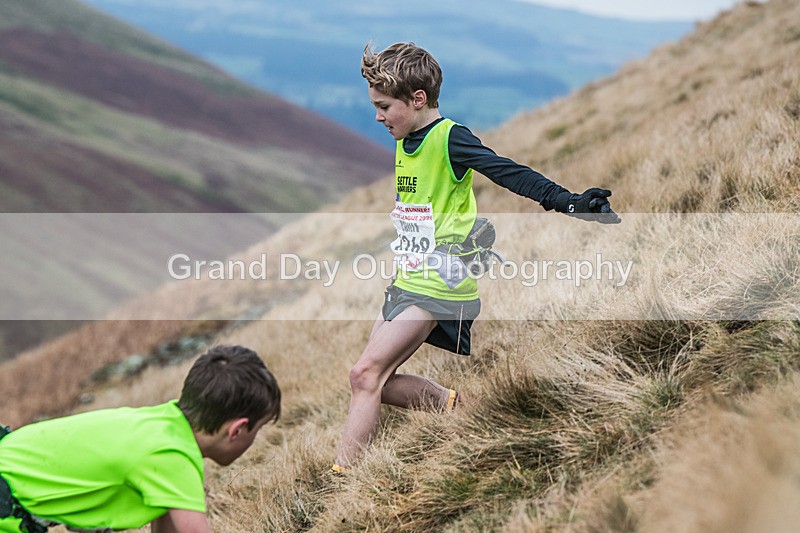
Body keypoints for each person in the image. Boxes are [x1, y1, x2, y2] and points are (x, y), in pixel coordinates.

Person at [332, 42, 620, 471]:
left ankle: (344, 481)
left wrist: (569, 201)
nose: (377, 116)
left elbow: (508, 171)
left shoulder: (450, 139)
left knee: (364, 377)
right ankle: (464, 408)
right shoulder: (406, 136)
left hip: (439, 281)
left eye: (384, 106)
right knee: (378, 380)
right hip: (409, 278)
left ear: (417, 99)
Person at [0, 344, 281, 533]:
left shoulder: (160, 424)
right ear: (237, 430)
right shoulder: (173, 457)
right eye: (259, 430)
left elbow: (167, 522)